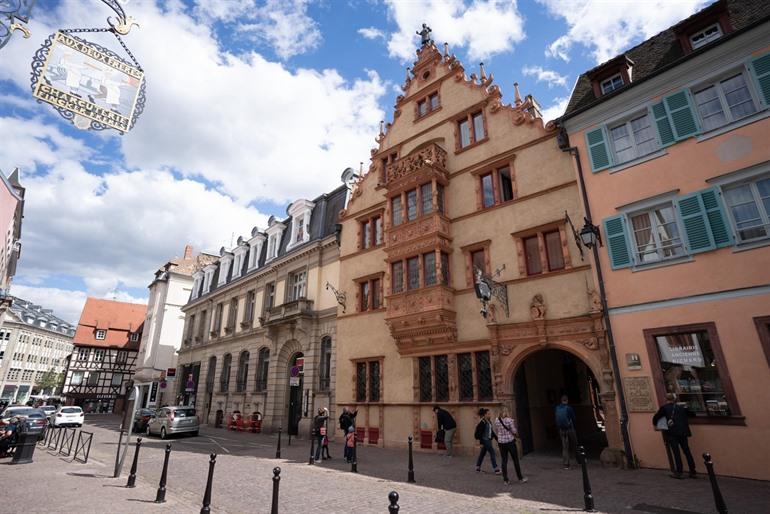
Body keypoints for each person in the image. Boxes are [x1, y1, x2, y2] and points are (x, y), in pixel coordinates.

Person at [652, 393, 697, 479]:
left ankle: (679, 472)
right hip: (683, 432)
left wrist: (655, 425)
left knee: (676, 452)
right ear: (675, 399)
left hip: (672, 432)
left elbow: (656, 417)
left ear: (666, 399)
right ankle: (693, 471)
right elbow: (692, 414)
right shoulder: (681, 408)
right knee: (687, 451)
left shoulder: (664, 408)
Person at [495, 409, 527, 484]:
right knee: (515, 460)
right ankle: (520, 478)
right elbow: (514, 431)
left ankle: (505, 480)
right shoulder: (509, 420)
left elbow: (497, 430)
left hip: (501, 442)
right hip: (510, 442)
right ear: (506, 412)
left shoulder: (496, 420)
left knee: (504, 460)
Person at [474, 408, 500, 474]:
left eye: (490, 414)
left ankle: (477, 467)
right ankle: (496, 469)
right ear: (485, 415)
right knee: (492, 452)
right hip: (485, 440)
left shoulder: (489, 422)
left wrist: (497, 439)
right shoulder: (482, 422)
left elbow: (491, 431)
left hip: (488, 440)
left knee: (482, 454)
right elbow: (478, 433)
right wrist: (481, 442)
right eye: (488, 414)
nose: (490, 415)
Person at [555, 395, 577, 469]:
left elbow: (556, 418)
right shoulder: (569, 408)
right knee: (575, 443)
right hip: (569, 428)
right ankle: (580, 460)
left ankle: (566, 464)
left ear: (561, 400)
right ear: (567, 400)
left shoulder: (557, 408)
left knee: (564, 447)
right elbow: (573, 418)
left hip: (561, 429)